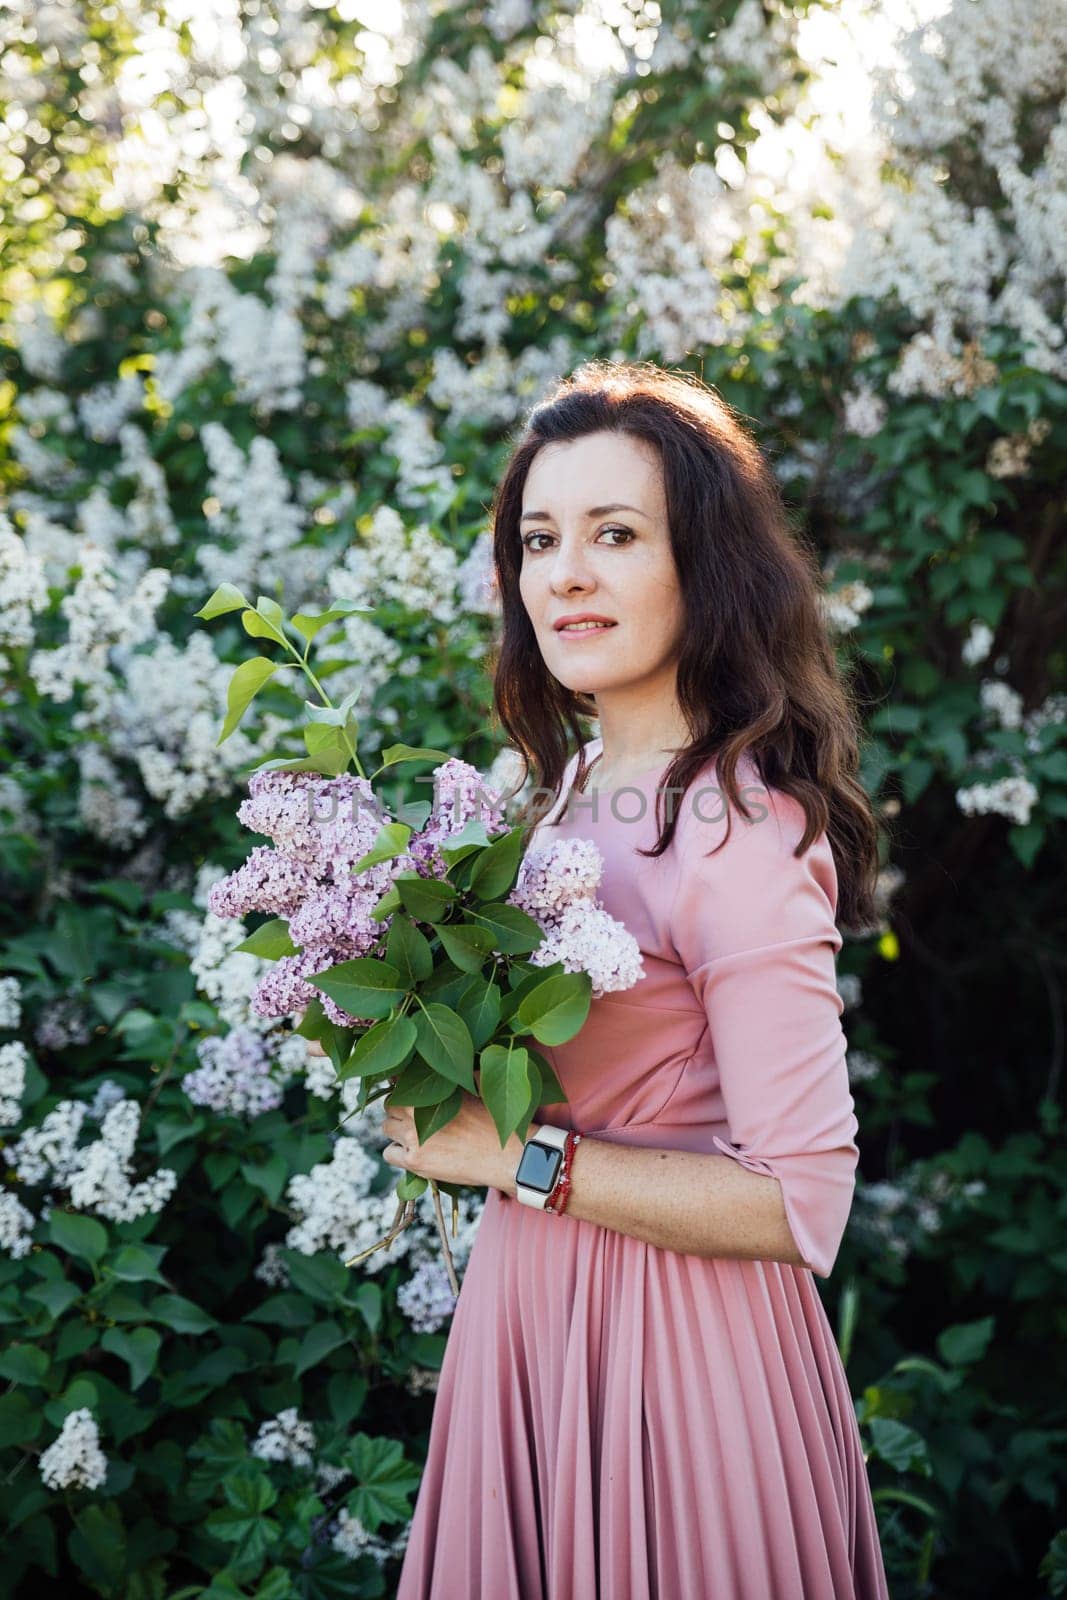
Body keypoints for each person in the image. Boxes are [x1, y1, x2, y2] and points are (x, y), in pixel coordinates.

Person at [334, 362, 891, 1598]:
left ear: (705, 564)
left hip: (680, 1359)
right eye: (539, 539)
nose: (565, 573)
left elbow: (803, 1204)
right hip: (530, 1318)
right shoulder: (556, 795)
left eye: (614, 534)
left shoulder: (740, 829)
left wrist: (511, 1158)